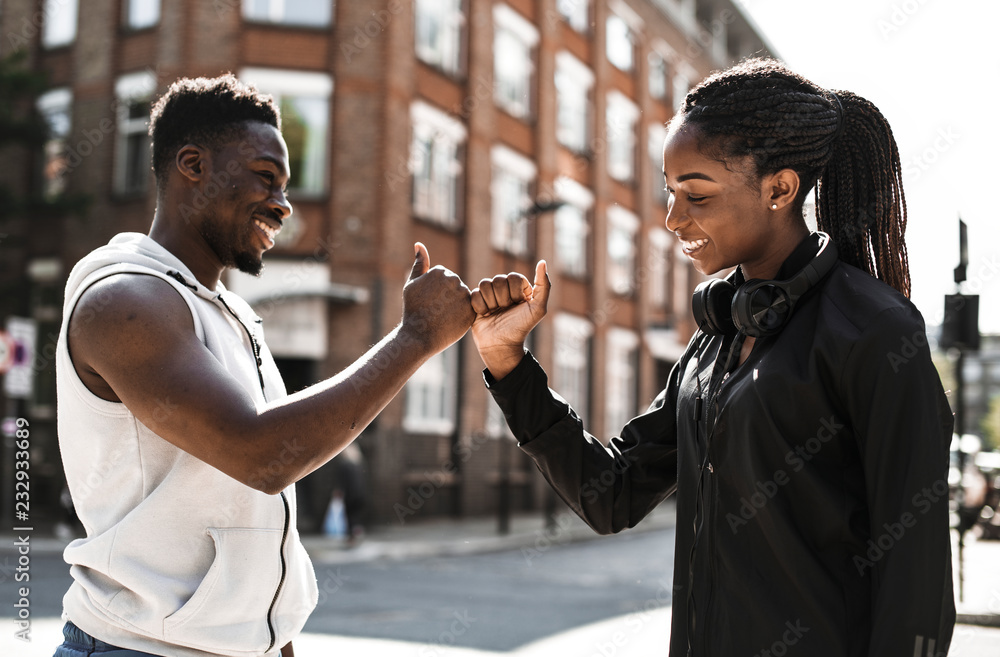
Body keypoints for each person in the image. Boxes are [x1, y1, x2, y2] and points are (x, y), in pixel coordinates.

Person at [470, 58, 955, 656]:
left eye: (696, 194)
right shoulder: (716, 338)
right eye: (670, 192)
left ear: (779, 189)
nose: (673, 219)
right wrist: (508, 363)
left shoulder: (873, 330)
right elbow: (610, 494)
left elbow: (916, 580)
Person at [53, 74, 474, 657]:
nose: (283, 203)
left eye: (285, 185)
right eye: (265, 176)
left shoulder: (229, 314)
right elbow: (261, 455)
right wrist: (416, 338)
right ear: (193, 165)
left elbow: (258, 513)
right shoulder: (125, 302)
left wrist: (277, 642)